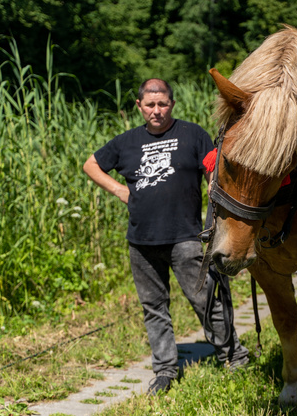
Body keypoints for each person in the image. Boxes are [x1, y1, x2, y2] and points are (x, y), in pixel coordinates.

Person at [83, 78, 249, 394]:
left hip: (186, 236)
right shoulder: (125, 142)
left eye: (162, 104)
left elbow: (214, 167)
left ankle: (233, 357)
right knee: (154, 308)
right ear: (140, 106)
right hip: (141, 241)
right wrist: (119, 189)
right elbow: (90, 164)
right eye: (150, 105)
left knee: (207, 300)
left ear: (171, 104)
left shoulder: (192, 135)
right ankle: (165, 370)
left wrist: (215, 186)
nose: (156, 111)